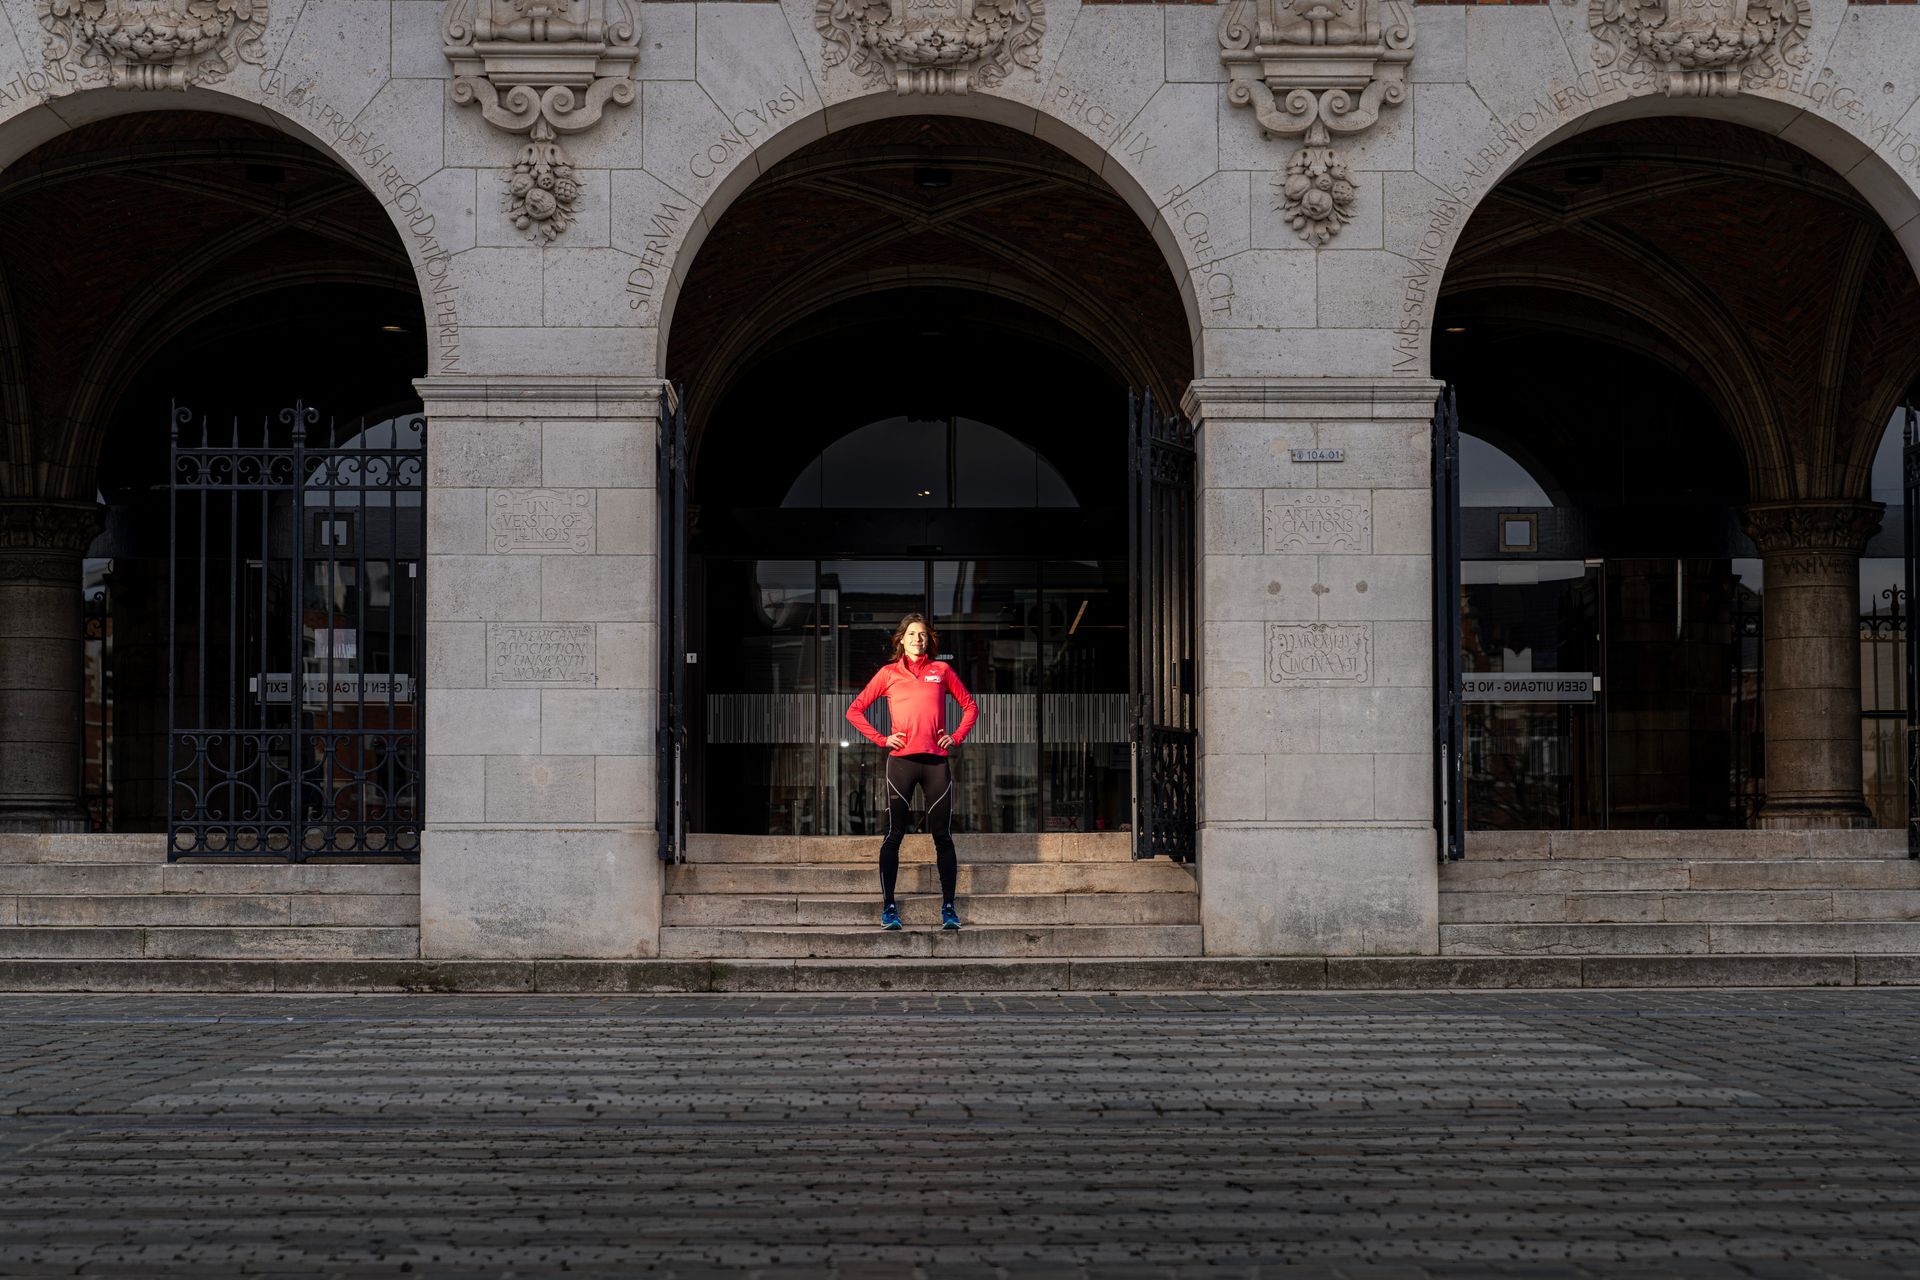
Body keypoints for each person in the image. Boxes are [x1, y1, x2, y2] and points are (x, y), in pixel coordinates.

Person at [845, 613, 977, 932]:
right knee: (894, 834)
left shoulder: (941, 670)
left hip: (935, 762)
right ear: (901, 639)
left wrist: (956, 736)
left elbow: (970, 706)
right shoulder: (889, 674)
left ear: (928, 640)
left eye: (923, 635)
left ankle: (948, 908)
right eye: (912, 634)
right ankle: (889, 907)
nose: (918, 639)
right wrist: (881, 738)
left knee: (942, 836)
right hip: (901, 762)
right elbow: (854, 710)